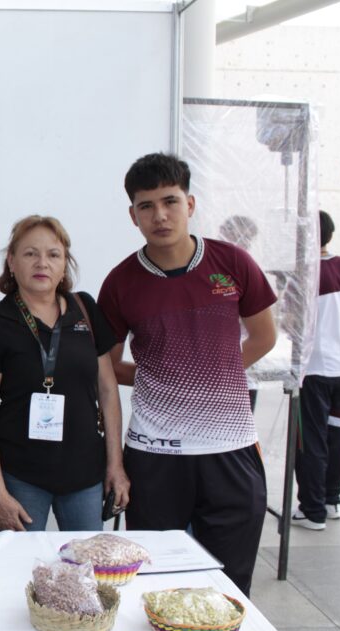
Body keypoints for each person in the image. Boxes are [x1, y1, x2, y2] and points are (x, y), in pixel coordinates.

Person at [97, 152, 277, 596]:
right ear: (132, 214)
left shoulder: (232, 262)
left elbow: (264, 336)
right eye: (146, 206)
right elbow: (108, 364)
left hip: (230, 448)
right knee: (153, 583)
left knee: (230, 584)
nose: (160, 215)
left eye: (170, 201)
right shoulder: (121, 282)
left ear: (190, 204)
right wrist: (169, 379)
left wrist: (212, 373)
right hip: (156, 455)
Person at [0, 215, 128, 532]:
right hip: (22, 475)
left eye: (53, 254)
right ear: (12, 262)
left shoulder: (85, 309)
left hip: (85, 474)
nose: (42, 263)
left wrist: (116, 464)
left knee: (85, 571)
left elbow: (109, 392)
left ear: (64, 262)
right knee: (20, 570)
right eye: (30, 253)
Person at [292, 211, 340, 530]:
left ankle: (312, 510)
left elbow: (291, 323)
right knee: (338, 434)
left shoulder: (305, 275)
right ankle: (331, 500)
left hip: (315, 370)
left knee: (310, 440)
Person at [219, 215, 261, 411]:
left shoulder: (249, 268)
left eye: (247, 239)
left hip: (244, 372)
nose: (243, 243)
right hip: (216, 369)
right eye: (238, 237)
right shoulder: (213, 268)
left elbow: (263, 331)